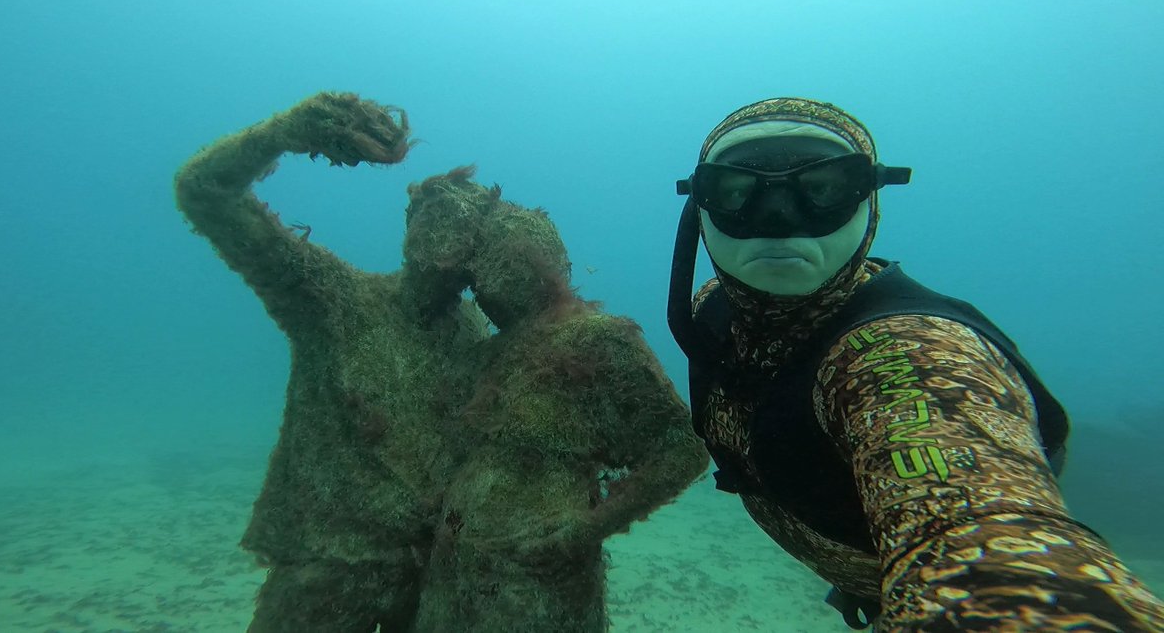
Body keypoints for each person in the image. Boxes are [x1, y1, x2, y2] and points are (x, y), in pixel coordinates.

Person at [174, 92, 707, 631]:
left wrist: (580, 525)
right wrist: (280, 135)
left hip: (437, 581)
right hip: (328, 572)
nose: (445, 230)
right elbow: (204, 191)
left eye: (469, 220)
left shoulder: (485, 341)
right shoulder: (334, 300)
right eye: (431, 211)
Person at [667, 97, 1164, 630]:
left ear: (871, 199)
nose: (779, 220)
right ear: (700, 205)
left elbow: (987, 540)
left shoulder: (910, 355)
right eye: (736, 191)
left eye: (825, 187)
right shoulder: (712, 307)